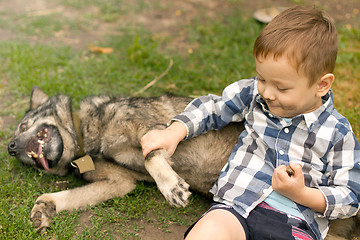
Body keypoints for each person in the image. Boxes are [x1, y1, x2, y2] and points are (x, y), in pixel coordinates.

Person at [141, 5, 360, 240]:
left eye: (282, 87)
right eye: (262, 78)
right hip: (235, 207)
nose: (267, 92)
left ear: (322, 85)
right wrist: (175, 130)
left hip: (294, 224)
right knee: (207, 232)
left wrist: (303, 193)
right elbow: (212, 107)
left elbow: (350, 197)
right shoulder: (253, 94)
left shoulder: (338, 133)